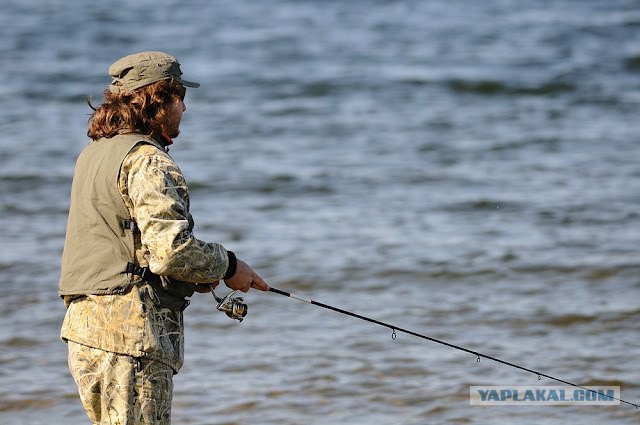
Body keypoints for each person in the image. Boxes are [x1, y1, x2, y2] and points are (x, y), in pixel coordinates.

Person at [59, 51, 269, 424]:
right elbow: (171, 251)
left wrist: (199, 276)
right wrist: (229, 265)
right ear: (157, 98)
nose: (185, 109)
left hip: (84, 333)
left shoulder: (91, 156)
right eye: (180, 98)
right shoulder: (148, 161)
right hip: (130, 336)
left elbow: (130, 244)